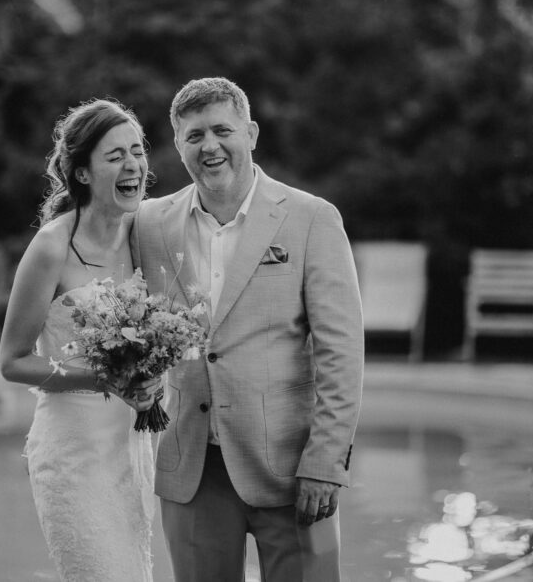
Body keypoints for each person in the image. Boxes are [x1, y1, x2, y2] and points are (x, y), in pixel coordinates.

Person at [131, 77, 365, 581]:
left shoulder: (312, 219)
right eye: (194, 136)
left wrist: (325, 461)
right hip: (191, 468)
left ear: (251, 134)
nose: (209, 146)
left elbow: (341, 353)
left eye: (222, 131)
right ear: (178, 145)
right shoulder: (148, 223)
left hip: (293, 468)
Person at [0, 99, 163, 582]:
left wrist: (152, 378)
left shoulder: (145, 234)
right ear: (83, 173)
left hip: (130, 451)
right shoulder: (51, 247)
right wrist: (102, 378)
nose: (132, 165)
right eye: (115, 156)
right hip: (72, 456)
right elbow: (12, 361)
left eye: (137, 151)